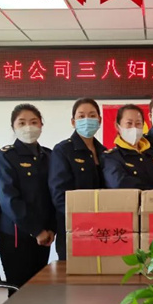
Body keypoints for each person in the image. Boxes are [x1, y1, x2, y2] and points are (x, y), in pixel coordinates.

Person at [0, 104, 56, 292]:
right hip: (17, 236)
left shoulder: (49, 155)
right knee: (18, 291)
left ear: (41, 125)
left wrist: (52, 228)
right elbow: (8, 199)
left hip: (44, 236)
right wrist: (36, 230)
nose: (28, 127)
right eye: (21, 123)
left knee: (38, 289)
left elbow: (53, 195)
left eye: (33, 122)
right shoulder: (7, 156)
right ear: (13, 127)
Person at [49, 98, 106, 261]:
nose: (87, 120)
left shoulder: (105, 152)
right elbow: (59, 195)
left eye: (92, 115)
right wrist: (82, 221)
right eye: (81, 116)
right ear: (73, 122)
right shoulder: (63, 150)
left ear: (99, 120)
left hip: (102, 229)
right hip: (73, 230)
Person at [102, 104, 153, 189]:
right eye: (129, 123)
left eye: (138, 123)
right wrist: (151, 191)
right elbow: (119, 184)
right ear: (118, 126)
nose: (134, 127)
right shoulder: (111, 157)